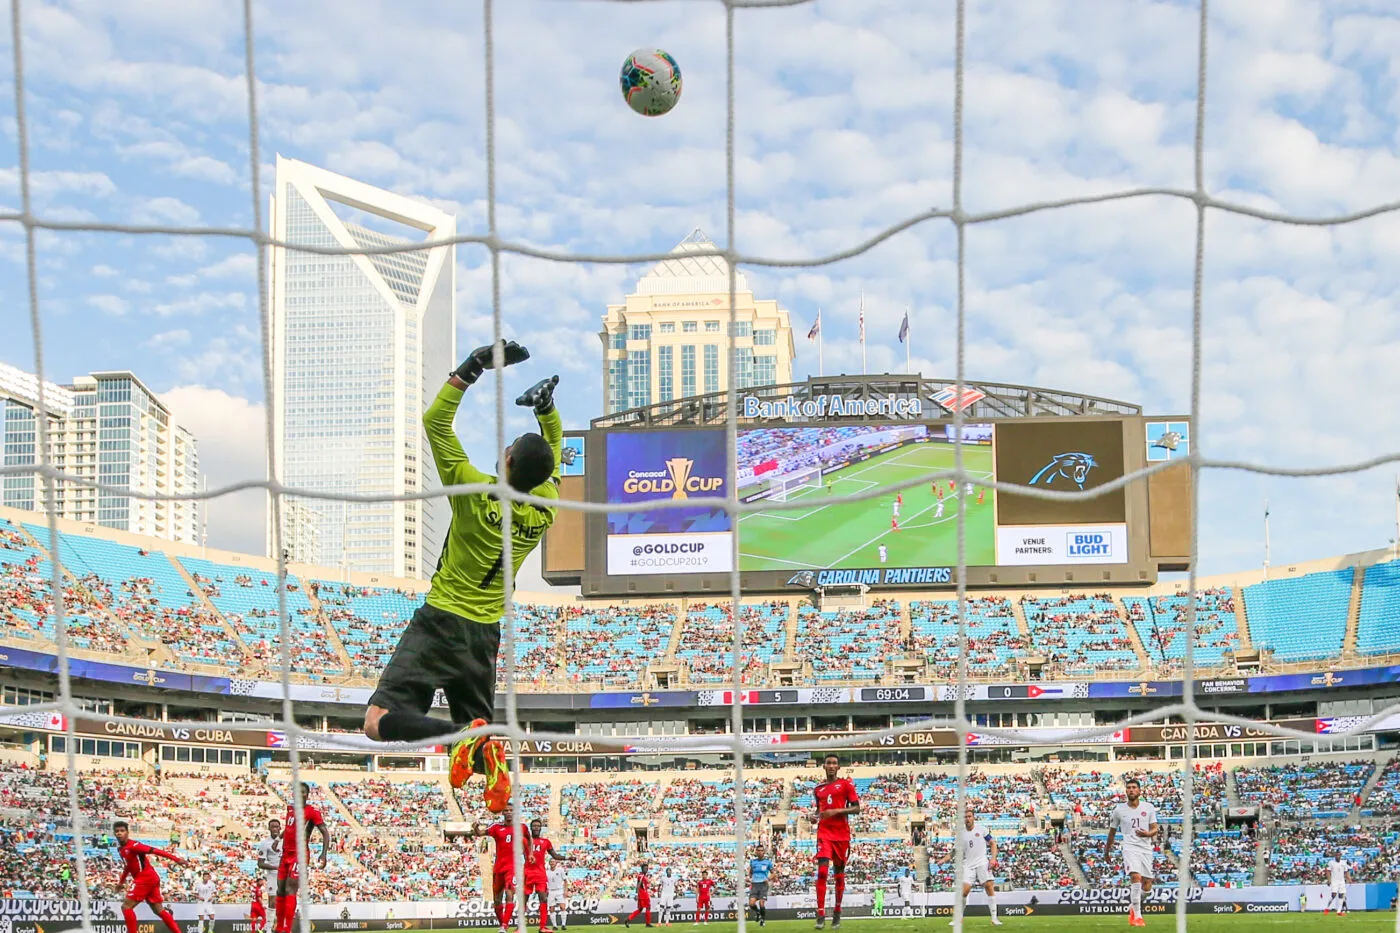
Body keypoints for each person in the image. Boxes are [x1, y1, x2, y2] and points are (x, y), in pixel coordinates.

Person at [363, 340, 562, 814]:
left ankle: (459, 735)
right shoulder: (546, 508)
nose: (504, 449)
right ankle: (473, 741)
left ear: (508, 463)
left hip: (442, 620)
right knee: (474, 761)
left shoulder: (474, 494)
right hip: (485, 635)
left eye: (508, 448)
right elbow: (551, 456)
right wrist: (547, 411)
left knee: (376, 721)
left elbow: (435, 421)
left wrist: (473, 366)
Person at [811, 754, 861, 930]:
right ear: (824, 766)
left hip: (841, 835)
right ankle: (820, 913)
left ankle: (837, 911)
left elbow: (857, 808)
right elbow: (819, 810)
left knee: (839, 873)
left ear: (838, 767)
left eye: (834, 763)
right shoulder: (818, 789)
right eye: (828, 763)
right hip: (824, 833)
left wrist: (836, 812)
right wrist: (814, 816)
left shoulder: (846, 785)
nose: (831, 766)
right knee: (822, 872)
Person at [114, 820, 188, 933]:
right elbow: (128, 866)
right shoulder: (120, 849)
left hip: (145, 878)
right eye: (117, 831)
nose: (119, 833)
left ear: (127, 832)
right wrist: (121, 882)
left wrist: (176, 859)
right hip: (151, 878)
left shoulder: (134, 845)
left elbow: (155, 850)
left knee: (126, 907)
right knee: (159, 910)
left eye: (122, 831)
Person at [1103, 777, 1158, 928]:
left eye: (1134, 787)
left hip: (1145, 848)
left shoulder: (1148, 807)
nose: (1131, 790)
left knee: (1147, 885)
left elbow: (1155, 828)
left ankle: (1133, 907)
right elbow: (1112, 832)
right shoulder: (1119, 810)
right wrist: (1106, 851)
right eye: (1129, 788)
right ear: (1126, 791)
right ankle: (1138, 917)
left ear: (1139, 791)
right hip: (1129, 847)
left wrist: (1148, 834)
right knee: (1136, 876)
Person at [275, 782, 329, 933]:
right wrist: (278, 840)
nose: (300, 794)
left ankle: (287, 929)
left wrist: (323, 854)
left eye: (303, 792)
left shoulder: (312, 812)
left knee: (290, 889)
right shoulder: (290, 809)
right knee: (280, 890)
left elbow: (325, 832)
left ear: (307, 794)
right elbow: (288, 829)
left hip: (299, 854)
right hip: (285, 853)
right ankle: (279, 927)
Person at [945, 812, 1001, 927]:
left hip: (982, 862)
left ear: (973, 818)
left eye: (969, 816)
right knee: (964, 891)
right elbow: (954, 851)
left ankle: (994, 918)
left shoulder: (982, 830)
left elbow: (992, 843)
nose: (967, 819)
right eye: (965, 817)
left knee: (989, 886)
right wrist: (943, 859)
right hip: (968, 865)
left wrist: (993, 858)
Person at [476, 814, 530, 932]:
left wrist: (529, 855)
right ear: (504, 813)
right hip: (498, 867)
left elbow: (528, 839)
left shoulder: (522, 827)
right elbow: (480, 833)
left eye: (512, 810)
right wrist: (475, 828)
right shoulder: (496, 828)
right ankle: (503, 925)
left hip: (513, 867)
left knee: (509, 894)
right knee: (497, 900)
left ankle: (504, 926)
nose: (509, 812)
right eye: (507, 810)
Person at [526, 818, 571, 933]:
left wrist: (567, 858)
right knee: (524, 899)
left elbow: (554, 855)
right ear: (531, 828)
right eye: (534, 826)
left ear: (540, 828)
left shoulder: (545, 842)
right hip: (527, 873)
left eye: (538, 826)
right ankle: (520, 927)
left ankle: (542, 927)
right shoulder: (525, 841)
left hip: (540, 873)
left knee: (543, 899)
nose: (536, 827)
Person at [254, 819, 281, 923]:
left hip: (286, 875)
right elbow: (260, 863)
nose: (275, 829)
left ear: (280, 828)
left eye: (276, 826)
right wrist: (275, 867)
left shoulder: (285, 841)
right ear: (269, 828)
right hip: (273, 875)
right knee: (272, 902)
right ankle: (269, 928)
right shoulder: (265, 844)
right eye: (273, 827)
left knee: (286, 901)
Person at [749, 844, 774, 926]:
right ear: (756, 852)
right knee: (751, 903)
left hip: (763, 884)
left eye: (761, 850)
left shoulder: (768, 862)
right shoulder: (753, 862)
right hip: (755, 884)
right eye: (758, 850)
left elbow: (774, 873)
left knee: (761, 903)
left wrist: (769, 879)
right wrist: (749, 877)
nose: (760, 852)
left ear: (764, 852)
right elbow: (751, 872)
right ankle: (758, 913)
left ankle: (763, 920)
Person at [624, 863, 652, 928]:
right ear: (642, 869)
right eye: (645, 868)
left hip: (641, 894)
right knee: (648, 907)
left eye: (647, 868)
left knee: (640, 909)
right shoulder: (641, 876)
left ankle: (628, 919)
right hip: (643, 895)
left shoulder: (642, 875)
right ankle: (648, 923)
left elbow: (639, 884)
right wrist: (637, 893)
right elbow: (639, 884)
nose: (646, 870)